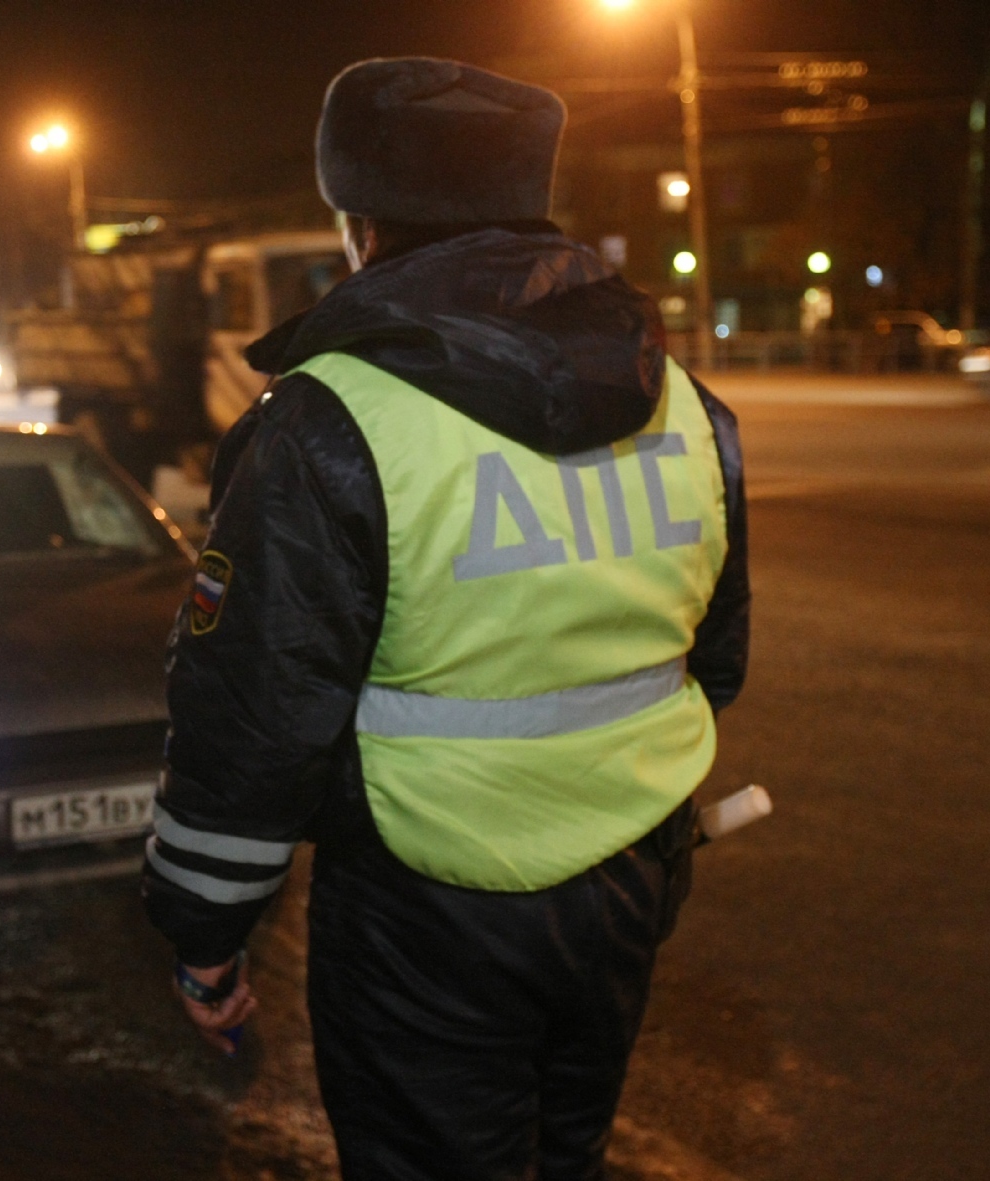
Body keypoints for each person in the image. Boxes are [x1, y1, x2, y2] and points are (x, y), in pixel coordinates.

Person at [142, 56, 749, 1180]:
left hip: (423, 910)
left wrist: (205, 935)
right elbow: (710, 662)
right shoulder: (685, 406)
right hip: (626, 889)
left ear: (357, 223)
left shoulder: (326, 422)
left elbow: (254, 713)